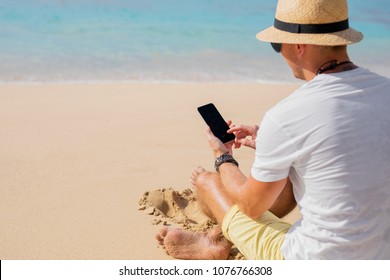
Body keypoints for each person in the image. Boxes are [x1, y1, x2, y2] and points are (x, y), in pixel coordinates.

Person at [156, 0, 390, 259]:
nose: (278, 53)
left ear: (298, 46)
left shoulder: (289, 114)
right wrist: (272, 140)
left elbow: (251, 206)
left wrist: (222, 156)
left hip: (319, 261)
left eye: (276, 44)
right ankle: (216, 238)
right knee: (293, 171)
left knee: (208, 183)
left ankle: (215, 243)